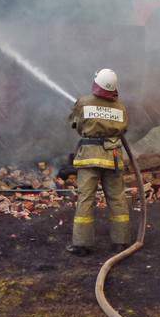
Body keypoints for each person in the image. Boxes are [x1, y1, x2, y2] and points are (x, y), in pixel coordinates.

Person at [66, 68, 130, 256]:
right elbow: (123, 129)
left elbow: (75, 124)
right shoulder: (121, 107)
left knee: (86, 199)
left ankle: (82, 244)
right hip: (113, 158)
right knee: (117, 198)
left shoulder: (83, 103)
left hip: (89, 158)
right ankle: (121, 242)